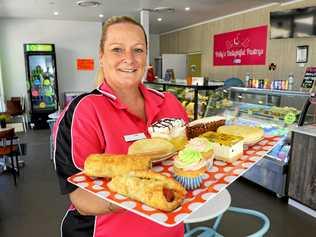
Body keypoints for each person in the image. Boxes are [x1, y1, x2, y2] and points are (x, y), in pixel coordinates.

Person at [54, 16, 188, 237]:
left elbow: (186, 163)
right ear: (102, 56)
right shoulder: (84, 111)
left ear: (146, 55)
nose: (129, 59)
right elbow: (81, 199)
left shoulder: (170, 103)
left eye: (138, 50)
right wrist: (144, 193)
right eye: (117, 49)